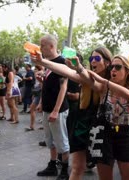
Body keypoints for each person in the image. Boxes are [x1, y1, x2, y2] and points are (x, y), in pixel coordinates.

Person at [32, 46, 113, 180]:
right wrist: (43, 62)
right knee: (76, 168)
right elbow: (65, 71)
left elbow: (98, 86)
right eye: (91, 58)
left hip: (102, 126)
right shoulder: (86, 75)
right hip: (83, 123)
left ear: (107, 62)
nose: (93, 61)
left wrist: (79, 68)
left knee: (104, 171)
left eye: (97, 58)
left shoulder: (110, 79)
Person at [33, 35, 70, 180]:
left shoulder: (62, 62)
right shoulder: (48, 63)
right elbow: (48, 86)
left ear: (51, 47)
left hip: (58, 110)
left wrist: (55, 110)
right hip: (48, 108)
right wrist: (42, 102)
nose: (40, 48)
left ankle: (65, 170)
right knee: (50, 140)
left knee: (61, 141)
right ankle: (52, 165)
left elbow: (63, 87)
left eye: (42, 45)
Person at [25, 65, 44, 131]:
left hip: (39, 95)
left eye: (35, 69)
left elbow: (42, 89)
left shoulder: (40, 76)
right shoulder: (38, 78)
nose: (34, 71)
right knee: (42, 110)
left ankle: (32, 126)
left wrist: (40, 102)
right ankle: (43, 125)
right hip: (37, 94)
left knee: (32, 108)